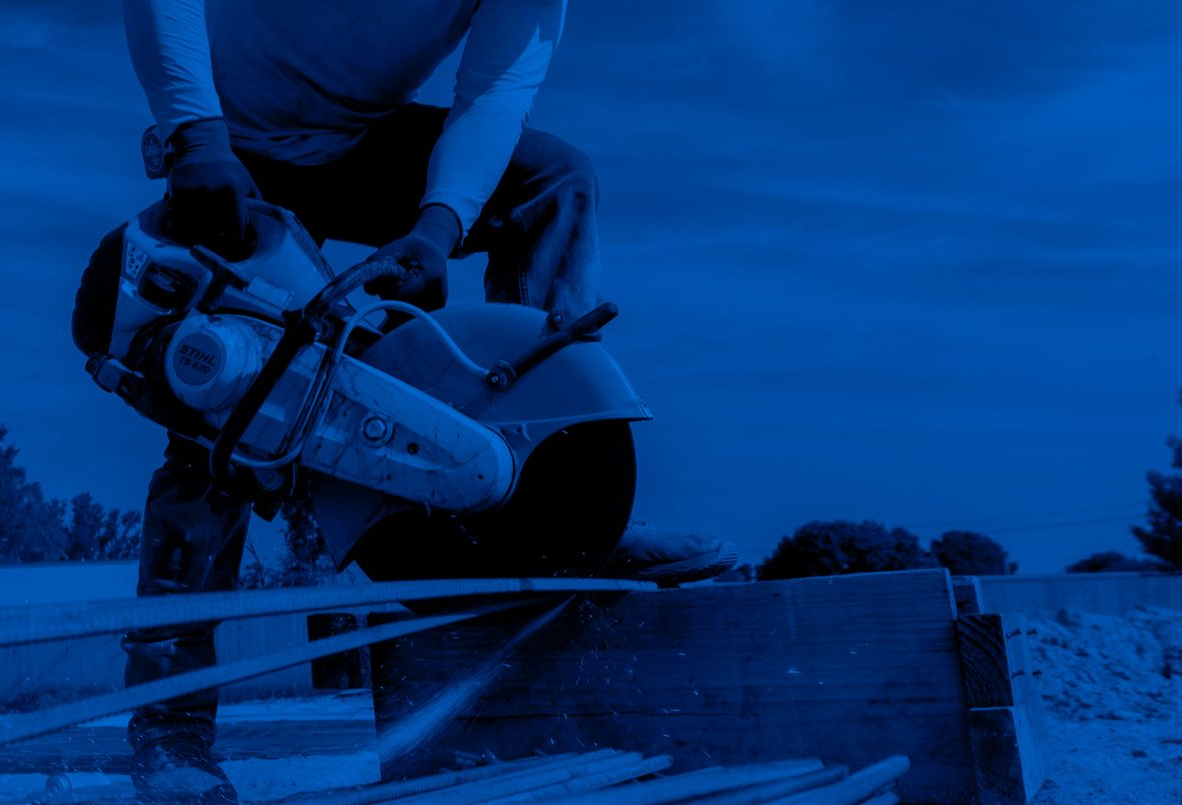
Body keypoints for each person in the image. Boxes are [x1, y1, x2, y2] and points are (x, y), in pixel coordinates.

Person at [116, 2, 735, 802]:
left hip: (365, 142)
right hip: (230, 145)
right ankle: (171, 728)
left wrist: (437, 229)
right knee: (228, 397)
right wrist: (195, 134)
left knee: (553, 179)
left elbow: (494, 95)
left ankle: (565, 506)